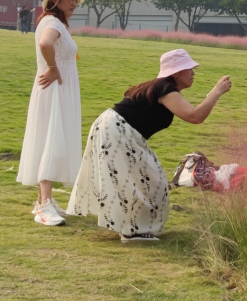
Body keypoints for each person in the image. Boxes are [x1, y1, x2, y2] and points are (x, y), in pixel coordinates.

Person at [68, 48, 232, 241]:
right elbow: (195, 117)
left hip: (118, 129)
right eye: (190, 68)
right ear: (177, 72)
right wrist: (216, 92)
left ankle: (136, 228)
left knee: (149, 179)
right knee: (148, 180)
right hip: (116, 130)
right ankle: (134, 231)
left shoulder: (163, 88)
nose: (193, 73)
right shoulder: (165, 88)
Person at [17, 0, 87, 225]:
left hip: (60, 90)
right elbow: (46, 43)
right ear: (57, 0)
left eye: (76, 0)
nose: (75, 4)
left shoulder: (56, 22)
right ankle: (44, 205)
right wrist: (53, 67)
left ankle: (42, 201)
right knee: (51, 140)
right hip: (54, 89)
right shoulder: (52, 23)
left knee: (53, 138)